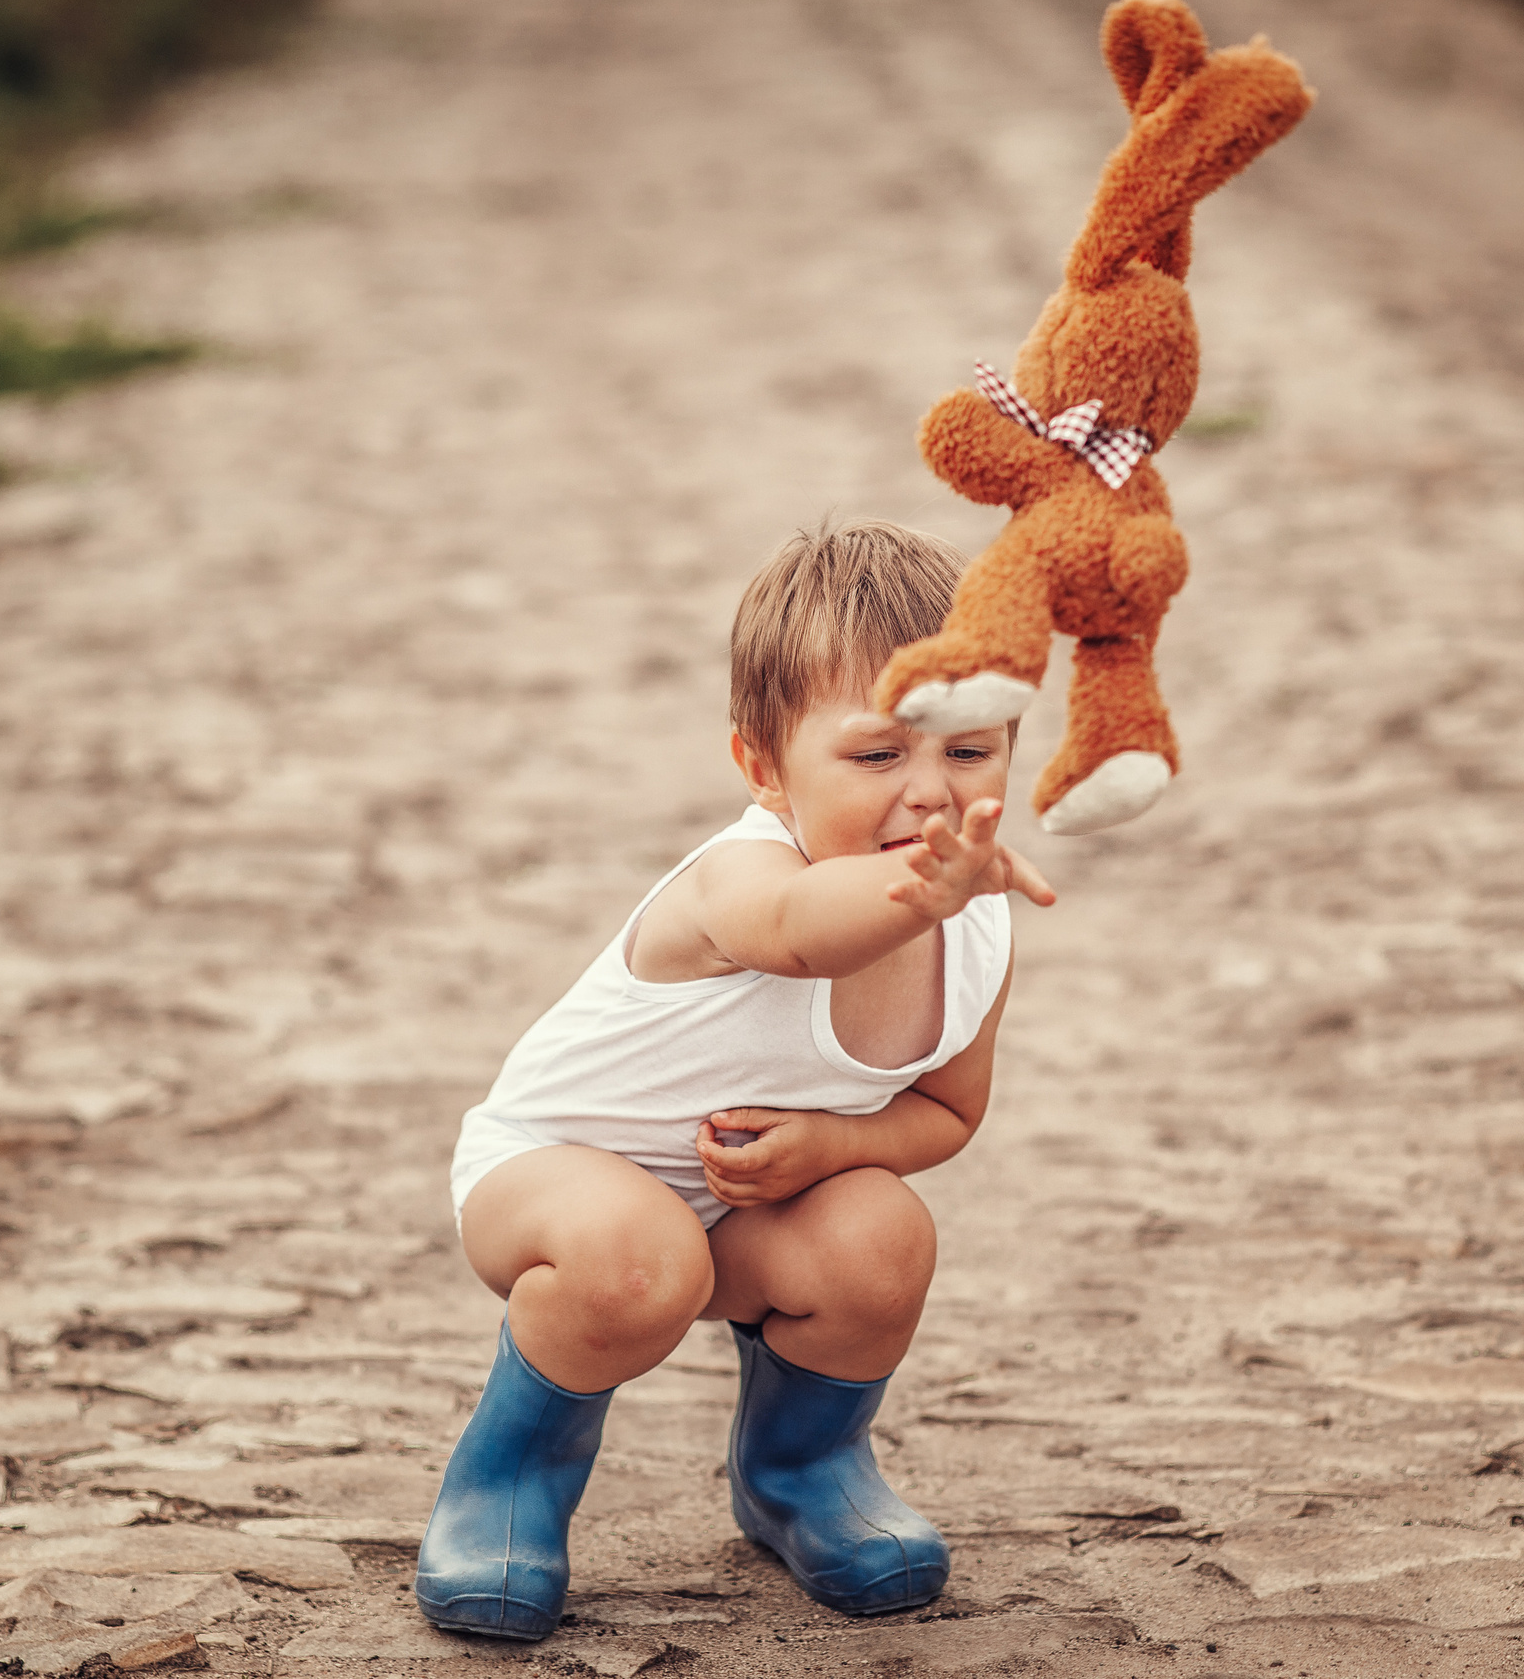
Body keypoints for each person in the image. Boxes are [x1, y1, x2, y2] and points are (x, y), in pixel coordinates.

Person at [415, 520, 1056, 1640]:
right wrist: (928, 893)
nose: (927, 795)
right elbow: (799, 934)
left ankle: (800, 1473)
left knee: (881, 1237)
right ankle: (507, 1482)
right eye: (876, 755)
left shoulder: (976, 925)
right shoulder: (739, 879)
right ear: (764, 769)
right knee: (634, 1261)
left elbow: (944, 1112)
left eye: (966, 751)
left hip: (744, 1208)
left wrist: (835, 1147)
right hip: (554, 1185)